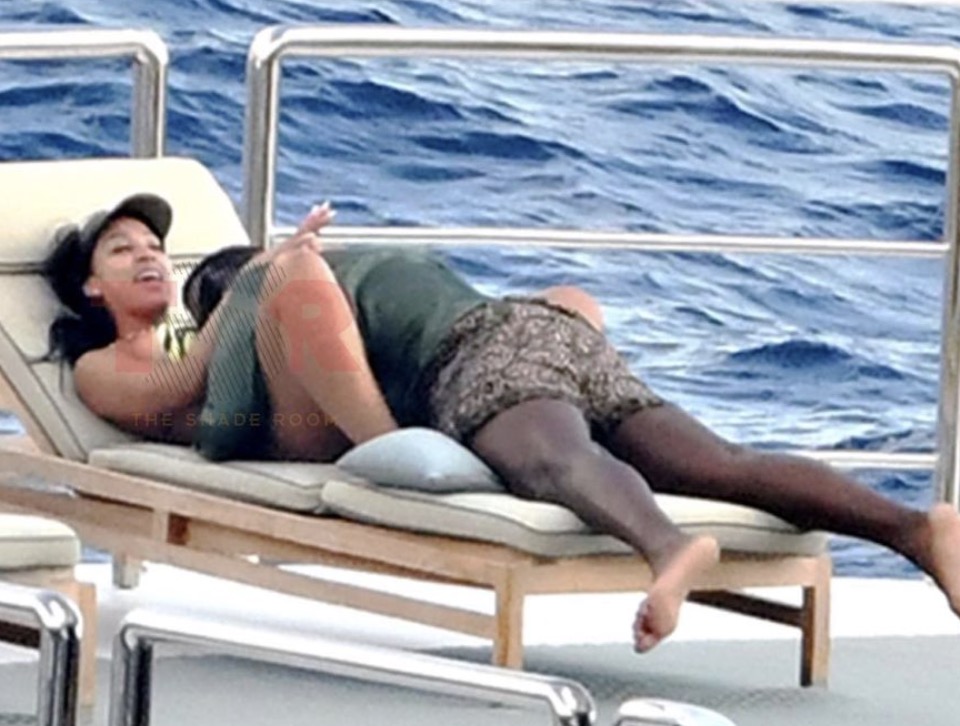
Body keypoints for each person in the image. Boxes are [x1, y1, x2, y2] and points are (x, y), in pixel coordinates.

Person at [44, 194, 960, 655]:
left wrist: (265, 279)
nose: (149, 256)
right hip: (543, 332)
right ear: (88, 286)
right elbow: (182, 405)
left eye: (156, 246)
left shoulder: (279, 291)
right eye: (124, 250)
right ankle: (916, 529)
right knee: (719, 462)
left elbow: (220, 403)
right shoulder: (99, 365)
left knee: (552, 460)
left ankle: (666, 547)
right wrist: (258, 288)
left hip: (483, 354)